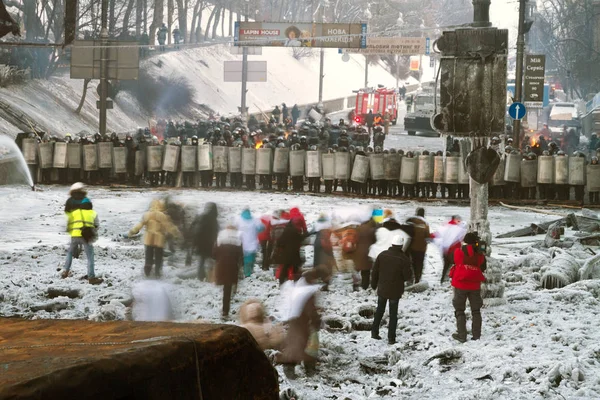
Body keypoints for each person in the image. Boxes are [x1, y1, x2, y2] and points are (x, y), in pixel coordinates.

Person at [275, 270, 322, 376]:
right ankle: (307, 369)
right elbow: (311, 310)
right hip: (304, 325)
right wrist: (316, 321)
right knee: (309, 347)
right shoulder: (308, 293)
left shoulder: (298, 289)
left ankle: (290, 367)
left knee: (294, 345)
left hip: (294, 323)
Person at [371, 235, 413, 345]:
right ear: (401, 246)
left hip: (382, 288)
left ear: (392, 244)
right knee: (393, 314)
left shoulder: (382, 255)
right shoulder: (404, 259)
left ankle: (374, 332)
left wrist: (374, 285)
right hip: (395, 290)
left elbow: (375, 271)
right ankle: (391, 338)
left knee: (379, 310)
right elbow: (407, 277)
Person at [61, 183, 103, 284]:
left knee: (70, 253)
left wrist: (72, 232)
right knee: (90, 257)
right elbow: (96, 225)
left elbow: (69, 223)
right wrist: (92, 234)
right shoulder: (93, 213)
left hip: (75, 235)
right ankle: (91, 277)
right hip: (86, 237)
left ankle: (65, 271)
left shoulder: (74, 212)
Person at [128, 198, 181, 278]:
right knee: (158, 256)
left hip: (148, 239)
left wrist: (133, 231)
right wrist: (176, 233)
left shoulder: (147, 215)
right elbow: (169, 226)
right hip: (159, 239)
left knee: (149, 254)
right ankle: (157, 271)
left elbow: (140, 224)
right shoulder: (162, 215)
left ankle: (148, 268)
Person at [449, 232, 487, 342]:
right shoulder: (480, 253)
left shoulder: (458, 252)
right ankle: (476, 335)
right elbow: (483, 267)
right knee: (476, 310)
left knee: (459, 309)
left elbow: (453, 260)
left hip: (460, 284)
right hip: (475, 285)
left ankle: (462, 335)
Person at [214, 223, 243, 317]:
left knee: (224, 287)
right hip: (232, 267)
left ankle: (224, 310)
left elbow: (213, 253)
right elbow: (240, 255)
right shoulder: (238, 239)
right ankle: (225, 311)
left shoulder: (220, 237)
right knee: (228, 288)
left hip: (222, 265)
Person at [187, 202, 219, 281]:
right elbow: (216, 232)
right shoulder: (214, 220)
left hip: (201, 243)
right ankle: (211, 277)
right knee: (211, 261)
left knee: (201, 260)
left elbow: (197, 230)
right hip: (210, 243)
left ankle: (201, 277)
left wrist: (195, 243)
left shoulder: (202, 217)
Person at [434, 215, 467, 283]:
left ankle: (442, 280)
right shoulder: (457, 228)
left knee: (446, 266)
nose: (460, 221)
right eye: (458, 220)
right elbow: (463, 239)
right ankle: (454, 280)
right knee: (456, 266)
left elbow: (437, 235)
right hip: (454, 252)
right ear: (455, 219)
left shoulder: (446, 226)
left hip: (445, 251)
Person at [404, 207, 430, 283]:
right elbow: (427, 237)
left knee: (410, 263)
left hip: (410, 246)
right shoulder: (425, 223)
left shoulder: (411, 220)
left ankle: (409, 278)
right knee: (419, 264)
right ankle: (417, 278)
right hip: (421, 248)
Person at [237, 208, 264, 277]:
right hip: (253, 243)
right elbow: (261, 228)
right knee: (252, 258)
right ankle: (250, 271)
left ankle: (247, 273)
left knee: (246, 259)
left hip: (243, 243)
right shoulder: (254, 220)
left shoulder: (239, 219)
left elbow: (235, 229)